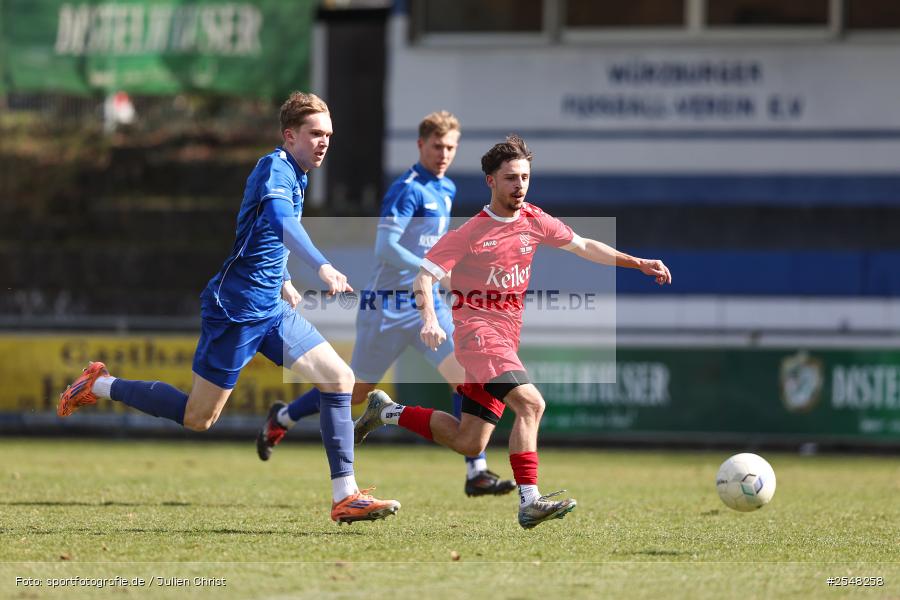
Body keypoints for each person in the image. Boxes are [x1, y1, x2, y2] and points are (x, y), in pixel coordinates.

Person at [57, 92, 400, 525]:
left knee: (338, 379)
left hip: (270, 308)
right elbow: (280, 222)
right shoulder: (274, 167)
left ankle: (345, 495)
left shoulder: (298, 173)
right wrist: (323, 267)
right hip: (235, 310)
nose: (324, 142)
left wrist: (286, 280)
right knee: (199, 417)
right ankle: (101, 384)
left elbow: (262, 238)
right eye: (315, 133)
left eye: (328, 134)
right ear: (289, 135)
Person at [354, 135, 672, 529]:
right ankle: (530, 500)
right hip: (477, 337)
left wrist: (637, 261)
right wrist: (431, 321)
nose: (519, 185)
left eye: (524, 177)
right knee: (532, 404)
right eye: (510, 178)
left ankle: (386, 411)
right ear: (491, 181)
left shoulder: (534, 220)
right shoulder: (471, 233)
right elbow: (424, 277)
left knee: (470, 440)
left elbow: (585, 245)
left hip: (504, 341)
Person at [255, 111, 516, 497]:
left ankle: (475, 470)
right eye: (436, 146)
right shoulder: (407, 188)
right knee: (356, 392)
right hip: (386, 308)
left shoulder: (445, 189)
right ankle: (284, 415)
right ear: (420, 145)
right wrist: (434, 267)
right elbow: (386, 248)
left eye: (450, 147)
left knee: (467, 376)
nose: (443, 154)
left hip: (427, 303)